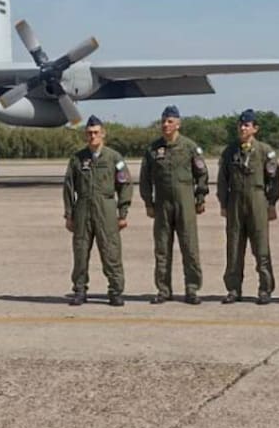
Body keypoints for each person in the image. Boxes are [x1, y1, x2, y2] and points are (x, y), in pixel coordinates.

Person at [140, 105, 209, 304]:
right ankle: (163, 289)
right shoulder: (153, 149)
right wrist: (148, 203)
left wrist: (200, 198)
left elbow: (202, 173)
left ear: (178, 124)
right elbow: (145, 178)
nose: (165, 125)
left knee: (189, 247)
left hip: (185, 203)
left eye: (170, 121)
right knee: (162, 248)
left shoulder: (189, 147)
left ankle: (192, 288)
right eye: (163, 121)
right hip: (162, 204)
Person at [62, 116, 133, 306]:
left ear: (103, 134)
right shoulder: (77, 159)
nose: (92, 136)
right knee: (80, 253)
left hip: (106, 210)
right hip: (83, 210)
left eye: (96, 132)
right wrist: (69, 215)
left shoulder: (114, 158)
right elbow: (68, 187)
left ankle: (116, 291)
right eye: (89, 133)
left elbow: (125, 184)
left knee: (111, 252)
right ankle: (79, 290)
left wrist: (123, 213)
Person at [217, 109, 279, 304]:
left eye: (246, 125)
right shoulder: (230, 151)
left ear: (255, 128)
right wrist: (223, 203)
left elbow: (274, 179)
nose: (242, 128)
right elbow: (222, 179)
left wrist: (271, 203)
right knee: (234, 246)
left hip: (257, 199)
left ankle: (265, 288)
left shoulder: (264, 151)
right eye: (241, 125)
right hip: (235, 201)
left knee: (261, 246)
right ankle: (234, 289)